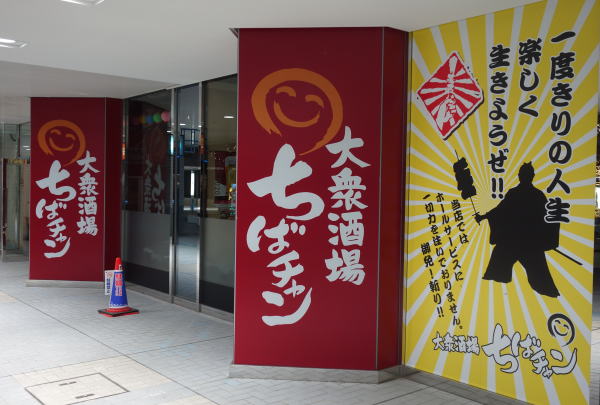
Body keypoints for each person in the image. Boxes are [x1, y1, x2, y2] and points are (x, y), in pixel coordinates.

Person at [475, 162, 560, 297]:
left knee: (538, 272)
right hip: (517, 241)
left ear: (529, 176)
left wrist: (484, 216)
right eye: (523, 174)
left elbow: (546, 218)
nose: (523, 176)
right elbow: (500, 210)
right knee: (498, 265)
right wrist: (484, 216)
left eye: (525, 174)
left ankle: (549, 292)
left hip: (522, 242)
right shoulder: (532, 194)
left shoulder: (533, 195)